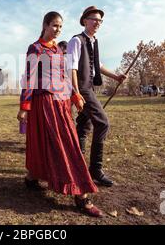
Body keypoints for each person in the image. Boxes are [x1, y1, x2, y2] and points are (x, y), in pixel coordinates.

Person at [17, 11, 102, 217]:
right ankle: (81, 195)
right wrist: (24, 107)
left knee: (60, 142)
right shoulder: (35, 48)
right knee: (57, 144)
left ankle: (31, 178)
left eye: (60, 27)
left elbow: (64, 76)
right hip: (43, 102)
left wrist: (75, 95)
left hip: (61, 103)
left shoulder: (58, 49)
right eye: (55, 25)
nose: (58, 30)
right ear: (45, 25)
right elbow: (29, 78)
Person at [67, 6, 127, 187]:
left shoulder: (93, 42)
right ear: (85, 20)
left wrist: (116, 76)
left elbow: (98, 65)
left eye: (100, 20)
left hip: (89, 88)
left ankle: (74, 162)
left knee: (84, 125)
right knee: (103, 123)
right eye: (94, 19)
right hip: (82, 89)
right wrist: (76, 92)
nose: (97, 23)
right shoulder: (76, 41)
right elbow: (72, 68)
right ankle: (95, 170)